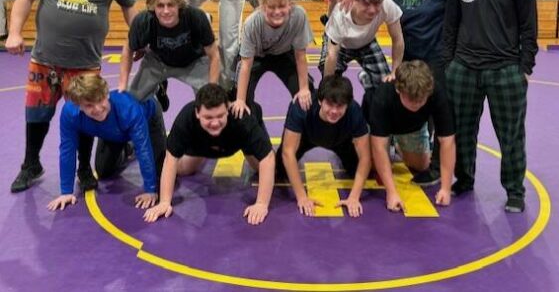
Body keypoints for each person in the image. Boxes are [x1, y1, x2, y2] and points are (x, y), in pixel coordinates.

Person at [6, 0, 137, 193]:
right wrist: (15, 32)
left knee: (86, 116)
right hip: (45, 59)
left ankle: (84, 167)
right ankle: (31, 164)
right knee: (37, 113)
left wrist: (139, 40)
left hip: (86, 64)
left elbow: (130, 8)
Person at [442, 0, 538, 213]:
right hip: (464, 69)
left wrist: (525, 68)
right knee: (461, 131)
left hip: (505, 70)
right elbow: (450, 28)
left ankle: (514, 191)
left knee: (511, 134)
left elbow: (528, 30)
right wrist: (449, 65)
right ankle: (464, 179)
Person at [379, 0, 461, 185]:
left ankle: (436, 167)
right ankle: (390, 140)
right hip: (403, 57)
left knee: (436, 109)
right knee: (397, 101)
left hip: (435, 56)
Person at [143, 83, 275, 225]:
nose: (215, 122)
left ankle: (233, 146)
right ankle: (207, 151)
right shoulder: (186, 118)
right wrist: (164, 202)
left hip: (239, 141)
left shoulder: (242, 120)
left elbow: (268, 158)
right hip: (202, 142)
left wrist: (261, 204)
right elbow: (171, 159)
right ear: (197, 113)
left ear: (228, 109)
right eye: (208, 117)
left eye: (220, 116)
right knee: (182, 169)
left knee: (264, 169)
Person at [47, 74, 166, 211]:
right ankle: (128, 147)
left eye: (100, 100)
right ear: (79, 106)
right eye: (89, 105)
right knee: (104, 171)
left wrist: (150, 189)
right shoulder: (70, 113)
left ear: (107, 95)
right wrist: (66, 192)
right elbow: (67, 149)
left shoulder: (129, 108)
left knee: (160, 177)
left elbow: (144, 149)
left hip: (148, 119)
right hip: (114, 131)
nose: (97, 109)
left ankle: (159, 90)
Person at [363, 61, 456, 212]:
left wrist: (445, 188)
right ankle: (367, 81)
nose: (416, 104)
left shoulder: (437, 93)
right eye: (411, 99)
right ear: (399, 90)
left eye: (421, 100)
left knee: (421, 165)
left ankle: (397, 145)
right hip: (378, 123)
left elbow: (447, 141)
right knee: (371, 166)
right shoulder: (383, 95)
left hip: (411, 126)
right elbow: (378, 146)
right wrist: (391, 193)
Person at [277, 75, 370, 218]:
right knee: (278, 171)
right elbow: (288, 153)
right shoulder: (301, 106)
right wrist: (302, 197)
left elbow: (365, 157)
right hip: (306, 138)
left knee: (365, 172)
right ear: (320, 101)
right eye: (330, 104)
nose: (334, 111)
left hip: (342, 141)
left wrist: (354, 197)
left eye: (339, 106)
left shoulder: (354, 111)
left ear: (348, 104)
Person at [118, 0, 220, 108]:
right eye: (160, 6)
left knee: (211, 102)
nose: (166, 11)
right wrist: (122, 86)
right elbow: (128, 51)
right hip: (159, 62)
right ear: (153, 7)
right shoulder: (143, 21)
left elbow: (214, 54)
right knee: (133, 101)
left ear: (179, 4)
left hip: (193, 62)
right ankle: (159, 86)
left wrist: (212, 87)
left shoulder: (196, 17)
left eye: (170, 5)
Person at [230, 0, 314, 119]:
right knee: (240, 104)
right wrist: (240, 100)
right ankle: (257, 135)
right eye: (272, 7)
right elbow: (245, 65)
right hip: (256, 56)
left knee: (307, 97)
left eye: (282, 6)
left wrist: (304, 89)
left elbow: (300, 56)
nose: (277, 12)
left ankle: (295, 132)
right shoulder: (252, 23)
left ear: (290, 5)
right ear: (263, 7)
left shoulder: (298, 16)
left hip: (284, 54)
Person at [319, 0, 404, 88]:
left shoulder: (387, 5)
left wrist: (395, 72)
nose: (372, 10)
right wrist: (327, 88)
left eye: (377, 4)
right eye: (366, 4)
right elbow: (332, 55)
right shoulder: (340, 14)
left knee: (385, 85)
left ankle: (366, 78)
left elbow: (397, 39)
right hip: (341, 45)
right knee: (333, 82)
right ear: (354, 0)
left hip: (366, 42)